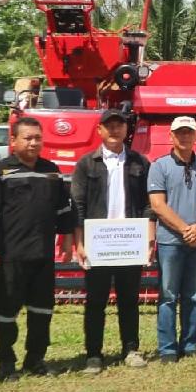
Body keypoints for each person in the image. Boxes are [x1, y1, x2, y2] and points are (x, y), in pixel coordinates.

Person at [0, 117, 74, 381]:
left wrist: (66, 241)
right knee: (7, 312)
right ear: (13, 141)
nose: (34, 142)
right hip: (10, 257)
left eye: (38, 138)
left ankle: (35, 359)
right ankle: (6, 361)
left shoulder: (52, 171)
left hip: (43, 256)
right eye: (28, 138)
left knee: (42, 310)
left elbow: (63, 209)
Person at [72, 109, 154, 374]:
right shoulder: (86, 164)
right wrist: (80, 243)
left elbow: (147, 205)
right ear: (100, 130)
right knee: (95, 301)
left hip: (129, 242)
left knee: (129, 300)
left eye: (119, 125)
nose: (114, 130)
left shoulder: (139, 163)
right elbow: (79, 207)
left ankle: (130, 349)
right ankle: (94, 355)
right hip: (99, 245)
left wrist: (148, 238)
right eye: (109, 126)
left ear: (127, 130)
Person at [148, 116, 196, 363]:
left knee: (194, 295)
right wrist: (186, 229)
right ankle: (167, 348)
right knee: (168, 295)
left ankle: (190, 344)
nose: (185, 137)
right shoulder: (159, 166)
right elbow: (157, 204)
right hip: (170, 241)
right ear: (171, 136)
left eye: (189, 133)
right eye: (180, 133)